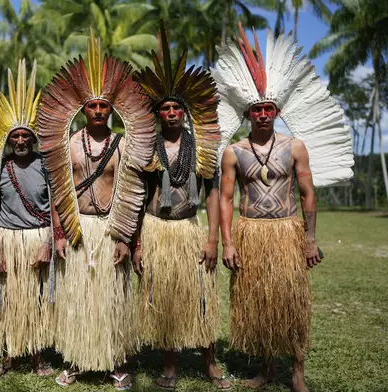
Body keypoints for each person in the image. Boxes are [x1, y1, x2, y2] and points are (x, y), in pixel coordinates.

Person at [214, 24, 354, 392]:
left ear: (276, 111)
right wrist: (228, 243)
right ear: (248, 114)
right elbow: (226, 200)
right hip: (251, 232)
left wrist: (309, 240)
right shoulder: (235, 152)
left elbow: (308, 194)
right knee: (257, 302)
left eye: (269, 109)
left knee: (291, 302)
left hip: (285, 231)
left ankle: (297, 372)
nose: (263, 114)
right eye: (257, 109)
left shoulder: (295, 147)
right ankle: (265, 371)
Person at [37, 32, 155, 390]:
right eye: (93, 106)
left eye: (105, 106)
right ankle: (74, 361)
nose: (100, 111)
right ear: (84, 109)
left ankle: (114, 362)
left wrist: (126, 239)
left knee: (111, 299)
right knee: (76, 298)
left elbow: (133, 193)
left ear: (111, 109)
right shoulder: (69, 144)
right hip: (78, 229)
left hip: (110, 229)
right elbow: (59, 192)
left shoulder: (123, 146)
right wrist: (59, 233)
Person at [132, 22, 231, 391]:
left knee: (202, 297)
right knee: (164, 298)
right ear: (158, 114)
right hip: (157, 228)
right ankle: (170, 366)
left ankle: (210, 363)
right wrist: (139, 244)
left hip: (189, 229)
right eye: (166, 108)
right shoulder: (146, 149)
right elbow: (139, 198)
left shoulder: (201, 149)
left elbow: (213, 195)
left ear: (185, 113)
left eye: (177, 108)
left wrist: (211, 240)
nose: (171, 113)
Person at [0, 59, 55, 377]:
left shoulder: (47, 165)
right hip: (8, 240)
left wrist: (48, 245)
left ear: (34, 138)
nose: (21, 141)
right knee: (7, 301)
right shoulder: (0, 168)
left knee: (38, 300)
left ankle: (39, 357)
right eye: (16, 137)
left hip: (38, 238)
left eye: (26, 136)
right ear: (8, 140)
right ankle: (8, 357)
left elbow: (55, 208)